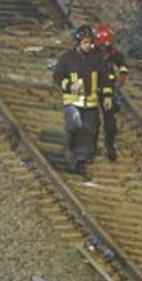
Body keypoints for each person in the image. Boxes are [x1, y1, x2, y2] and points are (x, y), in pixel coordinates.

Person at [52, 25, 112, 180]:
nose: (88, 46)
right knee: (75, 128)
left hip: (90, 103)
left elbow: (105, 78)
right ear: (78, 42)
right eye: (85, 42)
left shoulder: (96, 59)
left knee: (89, 130)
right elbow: (57, 76)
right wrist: (68, 86)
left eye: (90, 42)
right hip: (73, 102)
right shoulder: (67, 58)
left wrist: (107, 96)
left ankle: (81, 162)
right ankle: (71, 152)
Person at [93, 23, 127, 162]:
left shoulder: (112, 52)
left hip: (107, 91)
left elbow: (121, 61)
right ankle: (90, 147)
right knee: (91, 121)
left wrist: (123, 74)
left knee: (110, 122)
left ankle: (109, 144)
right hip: (91, 89)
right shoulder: (90, 53)